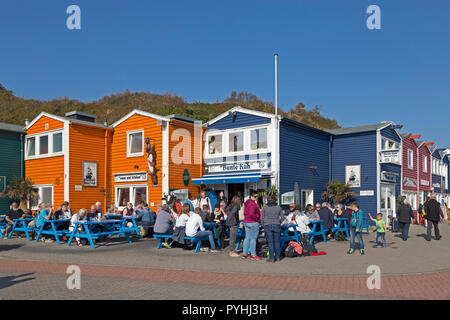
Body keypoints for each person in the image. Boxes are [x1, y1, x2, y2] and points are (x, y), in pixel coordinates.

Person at [260, 195, 284, 263]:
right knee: (277, 242)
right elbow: (282, 218)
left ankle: (271, 258)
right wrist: (279, 222)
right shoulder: (278, 207)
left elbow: (262, 218)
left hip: (267, 225)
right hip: (276, 224)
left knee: (270, 242)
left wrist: (263, 225)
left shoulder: (265, 207)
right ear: (275, 200)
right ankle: (278, 257)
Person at [242, 190, 261, 260]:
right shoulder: (252, 204)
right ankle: (253, 254)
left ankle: (245, 253)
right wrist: (258, 218)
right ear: (251, 196)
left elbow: (246, 213)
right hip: (253, 222)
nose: (256, 198)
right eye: (255, 196)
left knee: (247, 238)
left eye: (257, 196)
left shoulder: (246, 203)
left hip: (246, 222)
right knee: (253, 239)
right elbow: (251, 214)